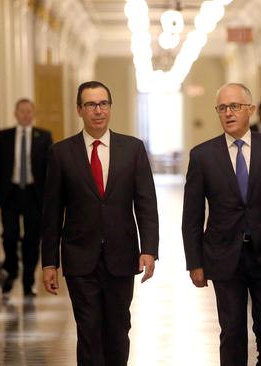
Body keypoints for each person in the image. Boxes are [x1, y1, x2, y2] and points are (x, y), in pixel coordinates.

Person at [41, 81, 159, 365]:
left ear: (110, 107)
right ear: (80, 109)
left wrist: (149, 249)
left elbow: (146, 204)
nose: (98, 110)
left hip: (121, 255)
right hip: (80, 257)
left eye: (103, 103)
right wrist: (49, 262)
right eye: (91, 105)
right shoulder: (61, 153)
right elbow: (52, 212)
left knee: (118, 329)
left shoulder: (132, 149)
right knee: (88, 330)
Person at [182, 82, 261, 366]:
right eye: (222, 108)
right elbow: (192, 215)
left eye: (235, 106)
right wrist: (195, 262)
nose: (228, 113)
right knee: (232, 332)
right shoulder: (203, 155)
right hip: (224, 257)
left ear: (251, 110)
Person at [0, 98, 52, 296]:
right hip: (10, 194)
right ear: (15, 113)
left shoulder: (44, 137)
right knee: (9, 236)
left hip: (33, 195)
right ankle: (11, 272)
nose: (25, 114)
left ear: (33, 113)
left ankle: (29, 281)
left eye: (29, 111)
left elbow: (49, 169)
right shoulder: (3, 136)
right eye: (22, 111)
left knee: (31, 239)